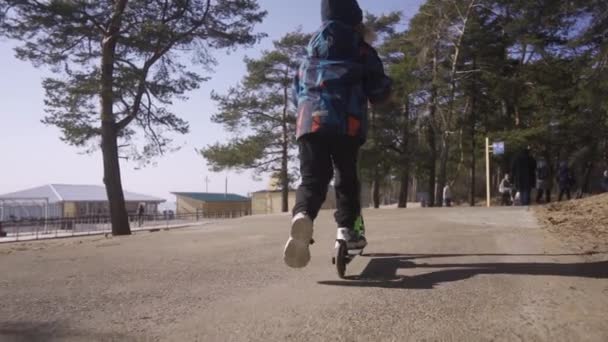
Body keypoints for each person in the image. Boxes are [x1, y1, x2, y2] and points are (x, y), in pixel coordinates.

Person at [283, 0, 392, 269]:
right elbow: (378, 91)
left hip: (309, 122)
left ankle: (303, 215)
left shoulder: (309, 53)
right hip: (347, 122)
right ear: (357, 23)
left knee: (312, 178)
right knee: (346, 178)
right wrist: (388, 89)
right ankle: (346, 230)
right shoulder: (362, 50)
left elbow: (296, 94)